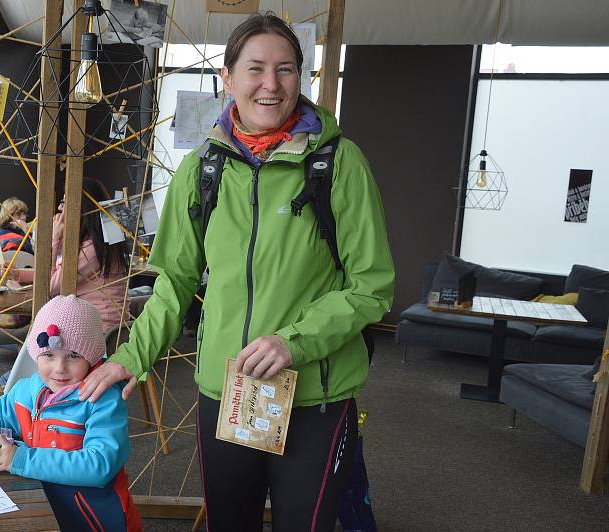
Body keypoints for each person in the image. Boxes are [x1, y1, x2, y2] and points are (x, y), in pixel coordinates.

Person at [80, 12, 395, 532]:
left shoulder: (340, 164)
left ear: (303, 77)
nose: (270, 84)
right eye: (255, 69)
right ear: (228, 78)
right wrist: (130, 358)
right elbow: (174, 282)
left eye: (286, 69)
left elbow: (372, 287)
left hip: (315, 394)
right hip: (227, 394)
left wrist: (293, 342)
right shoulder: (201, 170)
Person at [0, 295, 142, 531]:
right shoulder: (27, 390)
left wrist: (19, 458)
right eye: (48, 355)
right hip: (42, 512)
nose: (59, 369)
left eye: (74, 356)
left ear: (93, 357)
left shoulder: (103, 400)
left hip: (96, 521)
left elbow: (100, 466)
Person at [8, 178, 130, 333]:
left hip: (100, 330)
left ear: (81, 207)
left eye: (64, 202)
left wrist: (54, 239)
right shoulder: (94, 242)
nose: (59, 207)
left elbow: (50, 286)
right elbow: (56, 275)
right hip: (91, 322)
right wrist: (17, 274)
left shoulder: (92, 249)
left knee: (39, 336)